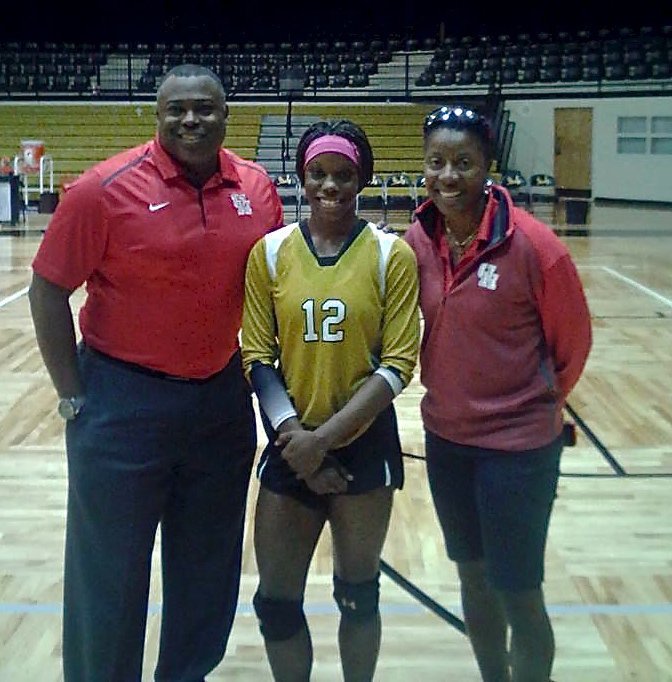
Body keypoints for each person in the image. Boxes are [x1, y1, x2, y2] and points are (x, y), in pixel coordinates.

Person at [27, 64, 284, 682]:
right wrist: (73, 397)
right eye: (177, 110)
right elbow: (47, 289)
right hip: (121, 402)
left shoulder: (258, 188)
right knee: (109, 572)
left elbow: (279, 289)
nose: (191, 120)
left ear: (227, 115)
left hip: (221, 400)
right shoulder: (101, 190)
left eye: (205, 109)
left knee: (207, 567)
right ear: (157, 115)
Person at [404, 105, 592, 682]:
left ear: (489, 168)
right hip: (446, 440)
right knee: (472, 577)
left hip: (518, 450)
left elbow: (573, 345)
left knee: (519, 592)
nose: (448, 176)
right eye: (437, 162)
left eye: (463, 163)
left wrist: (529, 405)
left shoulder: (536, 248)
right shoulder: (417, 239)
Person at [241, 120, 420, 682]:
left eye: (343, 175)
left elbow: (398, 365)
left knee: (357, 595)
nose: (330, 186)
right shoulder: (269, 254)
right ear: (301, 176)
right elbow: (257, 356)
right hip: (290, 443)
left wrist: (324, 441)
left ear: (362, 178)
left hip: (363, 445)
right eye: (318, 173)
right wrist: (298, 439)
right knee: (275, 604)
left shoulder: (392, 255)